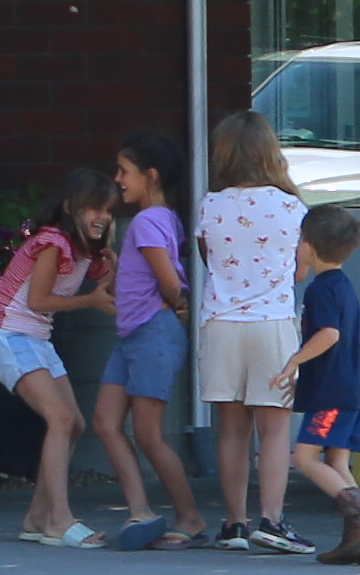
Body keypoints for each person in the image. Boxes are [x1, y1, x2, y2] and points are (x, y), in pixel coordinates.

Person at [0, 168, 117, 549]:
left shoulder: (85, 251)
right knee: (60, 418)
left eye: (108, 210)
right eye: (94, 208)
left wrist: (114, 262)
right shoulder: (53, 242)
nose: (102, 217)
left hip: (36, 338)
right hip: (9, 333)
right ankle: (59, 518)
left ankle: (38, 518)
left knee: (74, 422)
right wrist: (91, 299)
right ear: (70, 207)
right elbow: (39, 301)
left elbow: (114, 288)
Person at [197, 111, 313, 553]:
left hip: (222, 323)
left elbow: (210, 259)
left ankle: (234, 523)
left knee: (231, 428)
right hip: (273, 323)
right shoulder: (291, 207)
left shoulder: (211, 204)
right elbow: (300, 269)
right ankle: (273, 519)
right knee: (275, 428)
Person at [96, 133, 210, 550]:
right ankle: (140, 511)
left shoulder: (146, 222)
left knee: (148, 433)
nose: (118, 179)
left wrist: (174, 303)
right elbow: (150, 277)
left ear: (151, 176)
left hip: (151, 335)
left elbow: (168, 282)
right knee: (106, 422)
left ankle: (190, 516)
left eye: (124, 171)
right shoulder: (163, 219)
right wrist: (120, 267)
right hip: (134, 336)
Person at [268, 205, 360, 565]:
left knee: (304, 457)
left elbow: (329, 335)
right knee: (337, 463)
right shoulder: (344, 286)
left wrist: (294, 362)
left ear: (307, 246)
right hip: (351, 390)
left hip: (332, 397)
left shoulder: (320, 291)